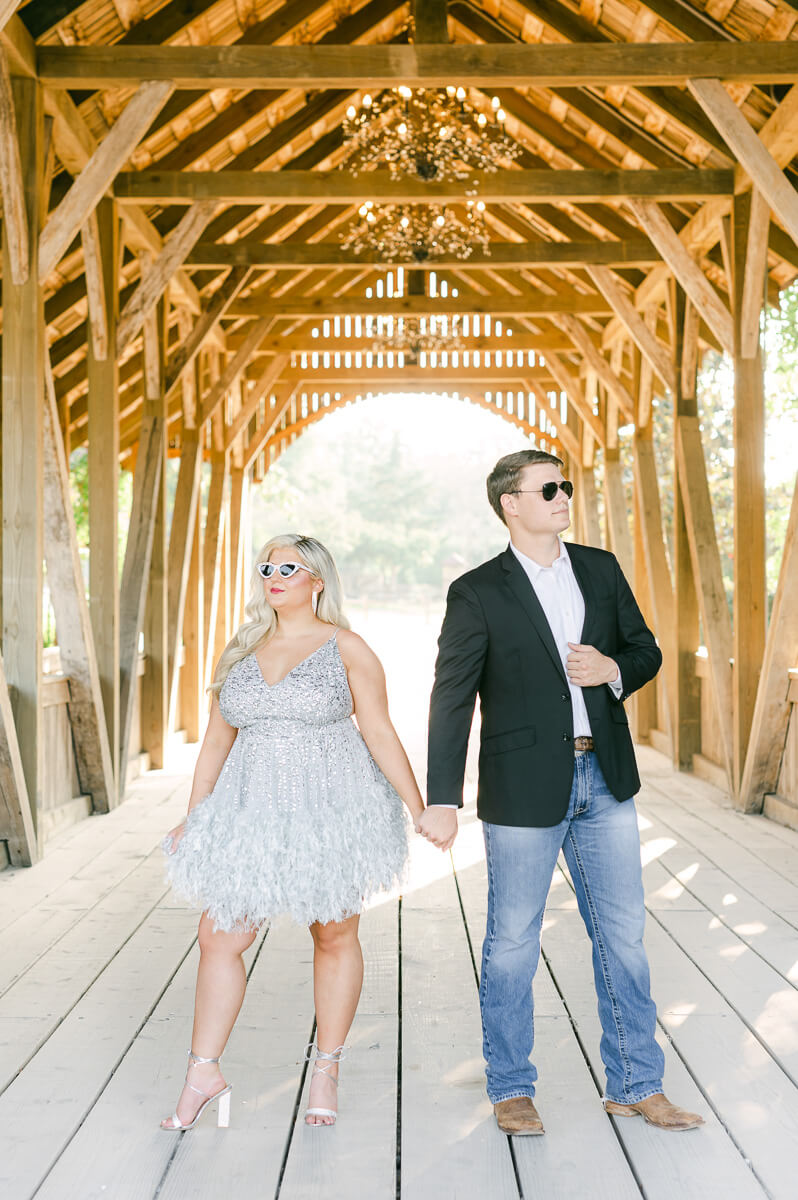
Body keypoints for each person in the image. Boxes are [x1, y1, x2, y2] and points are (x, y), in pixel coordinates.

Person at [417, 449, 704, 1136]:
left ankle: (637, 1085)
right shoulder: (477, 590)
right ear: (510, 503)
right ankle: (512, 1088)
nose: (561, 495)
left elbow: (646, 650)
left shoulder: (600, 570)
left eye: (564, 484)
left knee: (624, 939)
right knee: (512, 941)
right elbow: (451, 698)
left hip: (605, 777)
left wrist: (611, 668)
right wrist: (442, 797)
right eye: (547, 488)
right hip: (521, 787)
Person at [161, 534, 424, 1130]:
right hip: (250, 810)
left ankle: (326, 1067)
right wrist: (194, 813)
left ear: (317, 579)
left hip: (330, 808)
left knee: (333, 934)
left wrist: (417, 806)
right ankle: (203, 1071)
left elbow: (380, 730)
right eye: (267, 567)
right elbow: (217, 739)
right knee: (219, 937)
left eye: (288, 567)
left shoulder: (347, 647)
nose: (274, 576)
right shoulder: (240, 650)